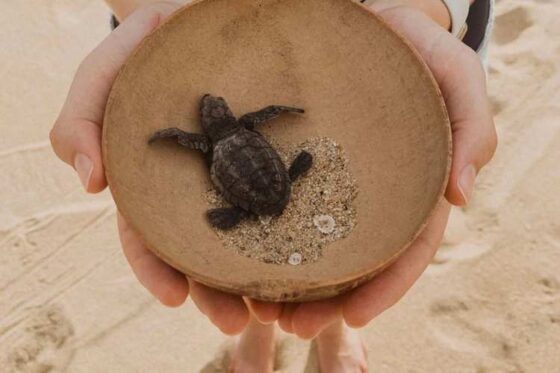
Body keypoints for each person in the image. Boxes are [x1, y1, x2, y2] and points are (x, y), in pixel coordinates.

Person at [49, 0, 497, 371]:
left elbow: (189, 138)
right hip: (191, 27)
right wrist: (153, 14)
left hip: (393, 16)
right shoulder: (240, 128)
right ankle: (258, 326)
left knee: (344, 274)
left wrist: (420, 9)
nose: (212, 107)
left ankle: (327, 324)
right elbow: (266, 115)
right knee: (249, 281)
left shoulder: (209, 144)